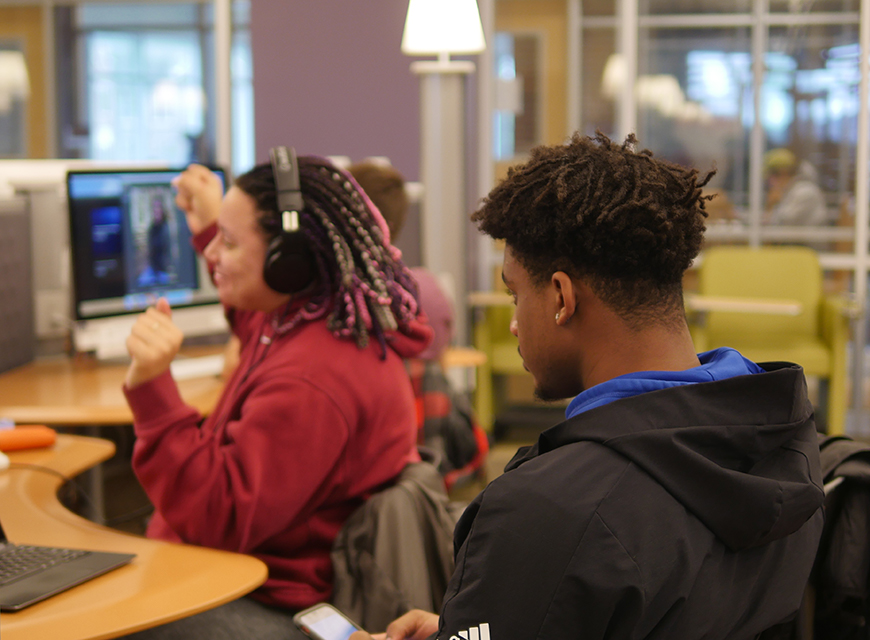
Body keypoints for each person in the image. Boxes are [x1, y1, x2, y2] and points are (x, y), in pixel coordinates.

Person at [350, 132, 825, 640]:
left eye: (515, 296)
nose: (514, 324)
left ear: (561, 296)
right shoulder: (787, 441)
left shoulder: (546, 510)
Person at [121, 152, 432, 639]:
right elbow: (256, 321)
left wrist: (153, 390)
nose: (210, 256)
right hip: (243, 570)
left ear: (288, 263)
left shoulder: (313, 380)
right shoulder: (316, 313)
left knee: (103, 619)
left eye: (229, 243)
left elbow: (217, 514)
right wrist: (211, 227)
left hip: (267, 598)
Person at [347, 160, 487, 489]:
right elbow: (437, 359)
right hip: (424, 461)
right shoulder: (423, 290)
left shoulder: (336, 301)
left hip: (372, 463)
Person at [764, 147, 827, 226]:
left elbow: (784, 223)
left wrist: (773, 204)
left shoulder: (805, 191)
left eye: (772, 176)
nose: (771, 182)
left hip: (807, 238)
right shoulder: (791, 190)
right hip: (796, 237)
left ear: (783, 173)